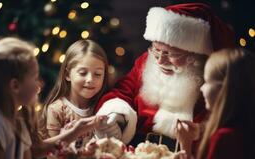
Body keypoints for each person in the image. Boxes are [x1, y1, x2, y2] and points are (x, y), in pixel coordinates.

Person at [95, 3, 235, 148]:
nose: (160, 60)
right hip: (140, 152)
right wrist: (118, 116)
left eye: (171, 53)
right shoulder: (146, 61)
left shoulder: (212, 77)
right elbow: (123, 90)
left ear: (194, 54)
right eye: (156, 49)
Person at [178, 48, 255, 159]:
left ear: (224, 89)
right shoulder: (245, 131)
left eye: (207, 82)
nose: (202, 88)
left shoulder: (225, 139)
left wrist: (185, 146)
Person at [39, 39, 109, 151]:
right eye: (82, 73)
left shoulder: (104, 107)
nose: (90, 79)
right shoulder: (56, 110)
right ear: (67, 75)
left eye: (97, 74)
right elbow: (52, 153)